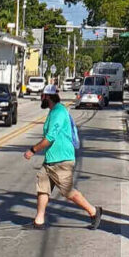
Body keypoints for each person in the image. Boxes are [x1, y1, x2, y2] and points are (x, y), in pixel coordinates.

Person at [23, 85, 103, 230]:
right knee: (43, 187)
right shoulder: (53, 111)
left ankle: (93, 211)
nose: (41, 98)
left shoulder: (59, 112)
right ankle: (39, 221)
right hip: (51, 159)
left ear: (47, 97)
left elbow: (50, 138)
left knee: (67, 191)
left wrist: (32, 150)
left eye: (42, 95)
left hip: (62, 159)